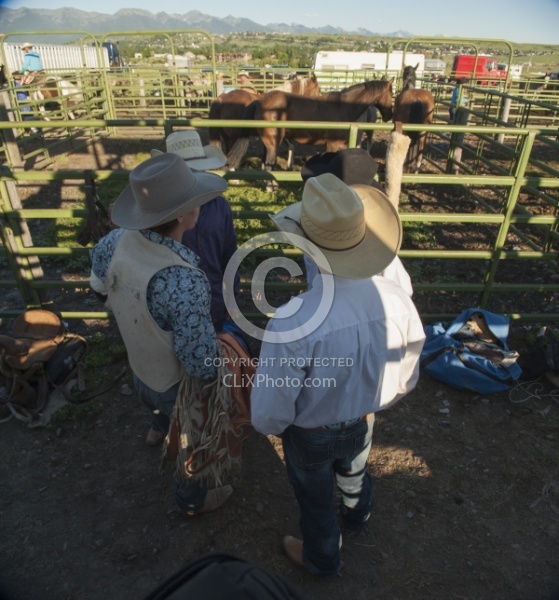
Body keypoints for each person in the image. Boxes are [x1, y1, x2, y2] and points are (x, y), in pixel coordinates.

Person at [250, 173, 426, 576]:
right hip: (363, 416)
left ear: (306, 248)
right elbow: (407, 373)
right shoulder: (397, 299)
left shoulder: (294, 319)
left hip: (310, 433)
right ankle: (358, 513)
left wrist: (279, 426)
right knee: (355, 467)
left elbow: (268, 412)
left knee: (314, 499)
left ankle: (324, 557)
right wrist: (372, 401)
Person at [89, 152, 233, 516]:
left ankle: (156, 428)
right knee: (194, 436)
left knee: (150, 396)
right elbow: (200, 362)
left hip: (140, 363)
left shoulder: (113, 241)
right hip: (173, 382)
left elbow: (98, 288)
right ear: (187, 214)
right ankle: (191, 496)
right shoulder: (184, 279)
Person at [152, 129, 241, 332]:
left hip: (211, 301)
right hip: (176, 304)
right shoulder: (164, 211)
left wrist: (232, 296)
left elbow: (229, 254)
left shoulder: (220, 205)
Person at [301, 148, 413, 296]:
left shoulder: (317, 233)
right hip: (374, 305)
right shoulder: (381, 245)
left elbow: (313, 282)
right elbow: (404, 290)